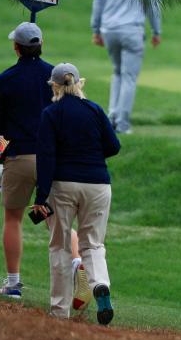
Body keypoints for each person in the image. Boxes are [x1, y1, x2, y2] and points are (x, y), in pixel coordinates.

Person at [0, 23, 88, 307]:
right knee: (58, 221)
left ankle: (13, 283)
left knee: (13, 218)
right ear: (42, 43)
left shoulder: (5, 79)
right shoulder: (56, 75)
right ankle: (79, 263)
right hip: (53, 158)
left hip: (19, 155)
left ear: (16, 47)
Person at [35, 63, 121, 324]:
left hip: (63, 185)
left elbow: (46, 157)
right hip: (98, 184)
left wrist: (41, 197)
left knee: (60, 246)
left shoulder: (51, 113)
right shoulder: (94, 109)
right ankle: (99, 285)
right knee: (93, 244)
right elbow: (113, 146)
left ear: (55, 86)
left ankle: (60, 311)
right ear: (78, 83)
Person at [91, 0, 162, 135]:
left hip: (109, 30)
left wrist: (96, 29)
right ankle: (122, 124)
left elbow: (98, 1)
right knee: (128, 77)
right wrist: (156, 31)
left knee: (117, 72)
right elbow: (152, 5)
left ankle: (111, 117)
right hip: (132, 31)